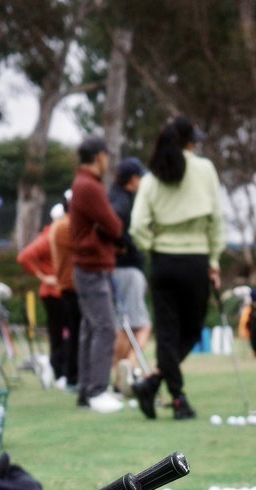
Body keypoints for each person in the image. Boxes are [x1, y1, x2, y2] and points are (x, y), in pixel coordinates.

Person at [129, 115, 225, 420]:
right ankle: (177, 398)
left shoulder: (151, 177)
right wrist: (213, 261)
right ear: (188, 142)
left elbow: (137, 226)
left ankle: (155, 383)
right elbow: (216, 220)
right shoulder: (205, 169)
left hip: (163, 262)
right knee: (192, 330)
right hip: (195, 260)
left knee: (168, 334)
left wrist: (153, 245)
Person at [68, 134, 124, 412]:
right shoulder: (89, 186)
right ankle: (97, 390)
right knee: (104, 328)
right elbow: (114, 226)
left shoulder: (82, 184)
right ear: (99, 156)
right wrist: (108, 229)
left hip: (87, 267)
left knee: (91, 330)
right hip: (92, 268)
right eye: (106, 156)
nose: (108, 161)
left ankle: (86, 392)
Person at [108, 156, 152, 395]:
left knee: (124, 324)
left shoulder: (113, 196)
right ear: (132, 180)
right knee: (140, 325)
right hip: (127, 269)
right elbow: (112, 227)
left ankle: (120, 375)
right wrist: (124, 245)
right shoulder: (123, 202)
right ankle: (128, 368)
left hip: (116, 269)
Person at [16, 205, 66, 384]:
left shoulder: (56, 234)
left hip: (58, 293)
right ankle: (57, 369)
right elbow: (24, 256)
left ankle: (59, 370)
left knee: (62, 335)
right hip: (54, 293)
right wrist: (44, 277)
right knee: (61, 335)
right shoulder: (49, 237)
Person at [49, 190, 81, 391]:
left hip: (70, 286)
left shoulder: (62, 226)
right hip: (71, 287)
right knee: (76, 334)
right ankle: (71, 376)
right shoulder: (65, 226)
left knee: (75, 333)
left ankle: (72, 375)